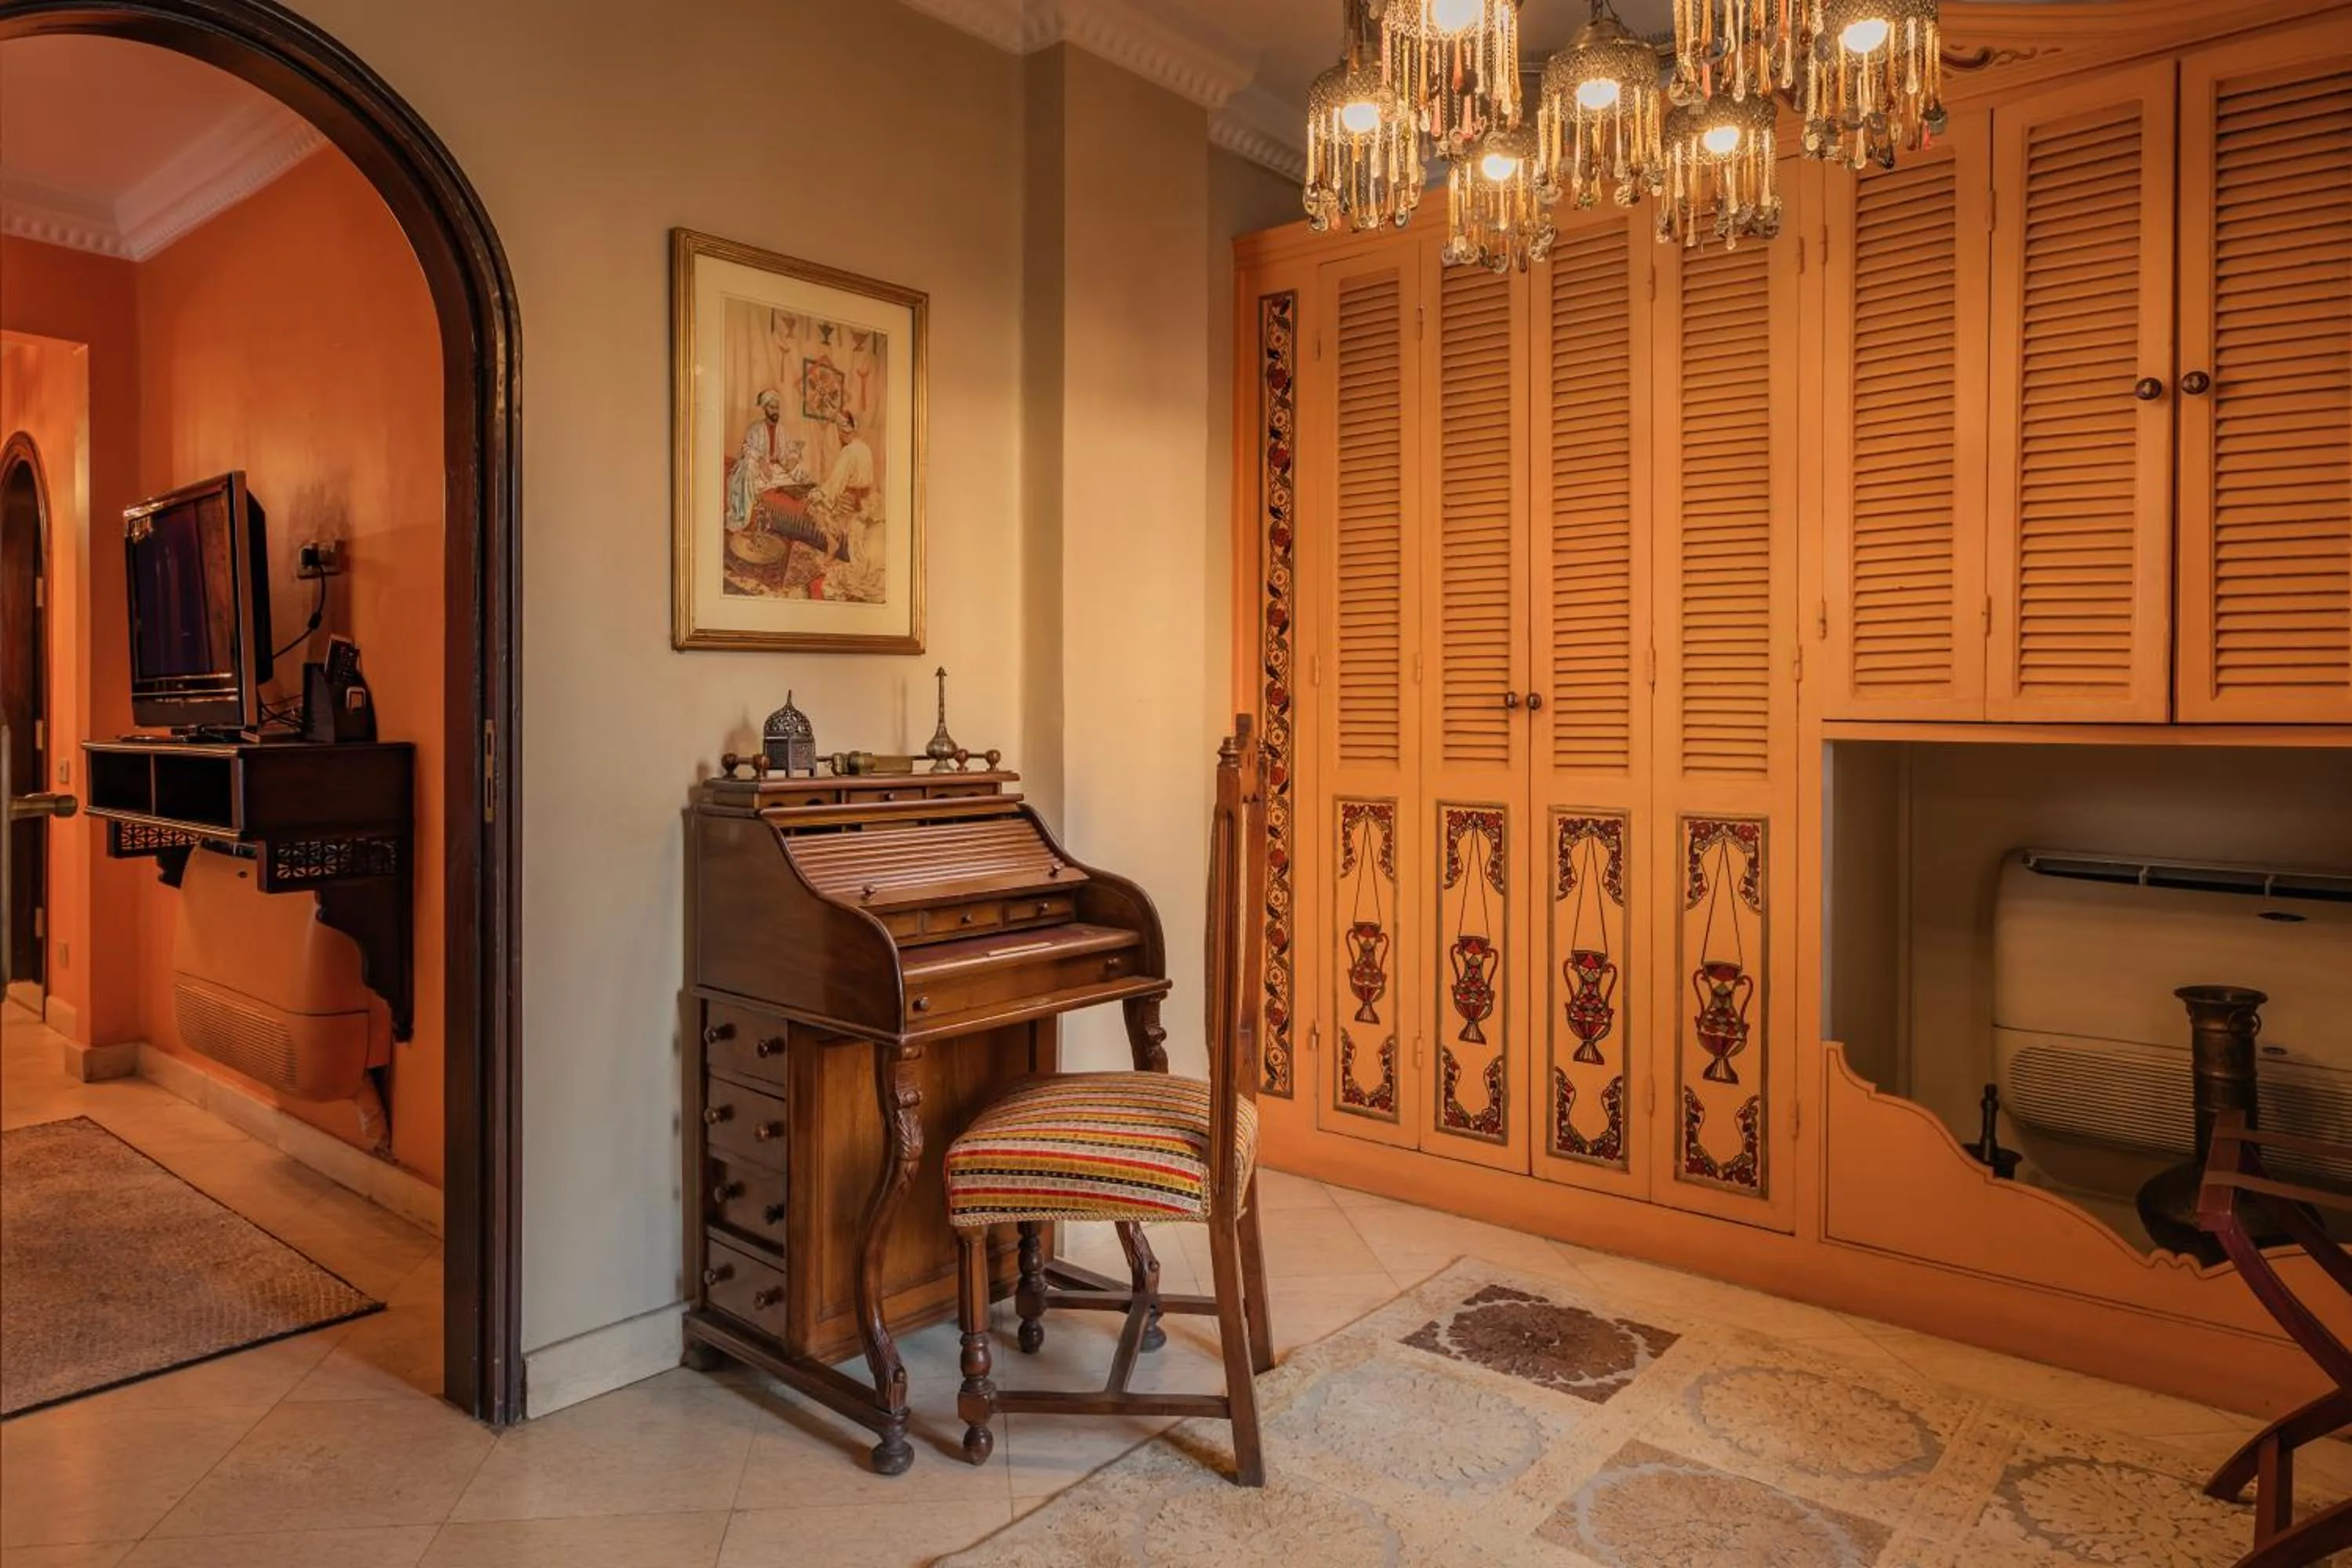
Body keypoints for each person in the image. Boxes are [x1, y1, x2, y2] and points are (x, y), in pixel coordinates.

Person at [726, 390, 800, 532]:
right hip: (757, 469)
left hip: (774, 471)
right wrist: (760, 460)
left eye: (777, 408)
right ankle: (743, 518)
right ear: (765, 408)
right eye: (772, 407)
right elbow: (746, 448)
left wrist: (792, 458)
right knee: (748, 466)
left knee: (799, 475)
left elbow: (791, 448)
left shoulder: (782, 430)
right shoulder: (755, 428)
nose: (775, 411)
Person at [817, 411, 876, 561]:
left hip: (848, 507)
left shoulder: (848, 452)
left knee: (813, 506)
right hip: (864, 503)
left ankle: (832, 544)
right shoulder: (865, 449)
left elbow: (835, 485)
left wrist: (819, 495)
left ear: (842, 431)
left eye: (838, 430)